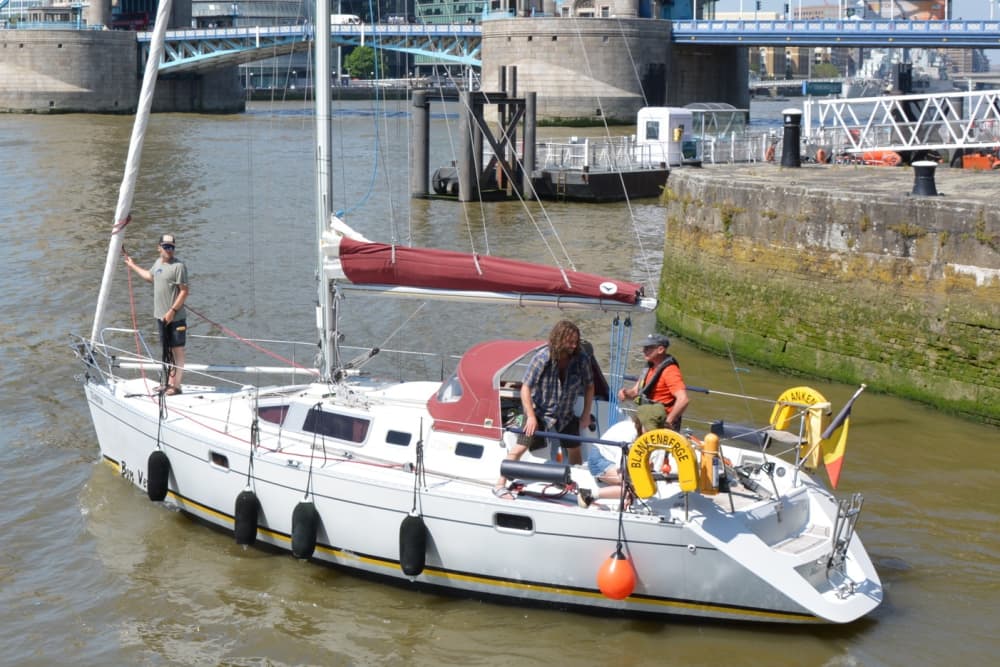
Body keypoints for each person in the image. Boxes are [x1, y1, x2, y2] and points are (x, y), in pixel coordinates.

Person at [495, 319, 594, 496]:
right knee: (519, 447)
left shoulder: (581, 359)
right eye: (570, 342)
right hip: (539, 412)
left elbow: (589, 385)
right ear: (559, 339)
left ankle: (572, 485)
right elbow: (526, 387)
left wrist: (586, 413)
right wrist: (531, 416)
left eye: (576, 342)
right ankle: (499, 484)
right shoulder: (542, 358)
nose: (573, 345)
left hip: (565, 414)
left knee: (575, 449)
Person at [123, 234, 189, 395]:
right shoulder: (158, 263)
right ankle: (168, 383)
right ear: (159, 247)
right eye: (166, 246)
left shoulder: (178, 266)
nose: (169, 250)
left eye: (172, 247)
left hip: (175, 318)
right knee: (167, 351)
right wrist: (132, 265)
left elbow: (184, 291)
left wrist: (172, 312)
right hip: (160, 317)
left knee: (177, 351)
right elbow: (149, 276)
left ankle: (176, 386)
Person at [583, 403, 667, 507]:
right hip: (599, 459)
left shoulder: (641, 433)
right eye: (649, 430)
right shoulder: (629, 433)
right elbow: (621, 467)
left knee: (641, 485)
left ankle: (611, 484)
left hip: (616, 461)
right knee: (634, 487)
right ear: (642, 422)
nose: (651, 434)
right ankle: (590, 494)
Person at [618, 332, 689, 431]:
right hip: (646, 417)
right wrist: (626, 393)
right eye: (644, 347)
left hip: (659, 424)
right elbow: (635, 392)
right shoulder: (650, 366)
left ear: (660, 350)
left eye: (648, 348)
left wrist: (668, 422)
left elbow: (683, 400)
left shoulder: (670, 371)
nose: (644, 350)